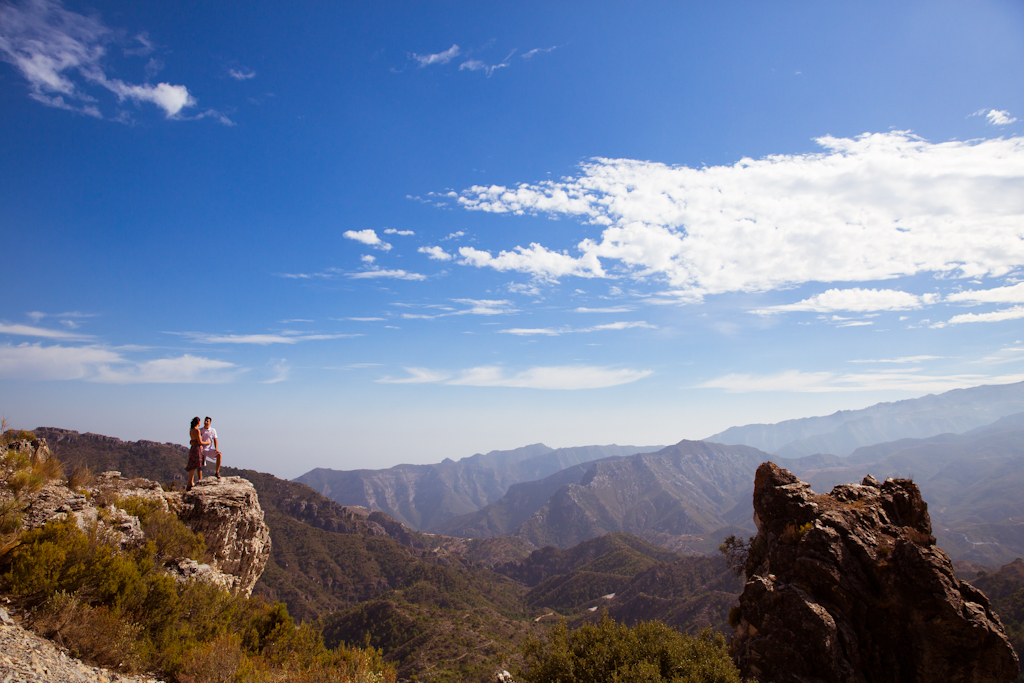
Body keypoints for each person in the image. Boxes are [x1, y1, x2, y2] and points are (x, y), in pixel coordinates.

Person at [186, 416, 210, 491]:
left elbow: (192, 440)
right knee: (199, 466)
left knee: (192, 466)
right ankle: (200, 481)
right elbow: (200, 442)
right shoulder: (197, 431)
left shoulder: (191, 430)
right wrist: (207, 442)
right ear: (198, 422)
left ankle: (189, 483)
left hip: (192, 448)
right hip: (198, 449)